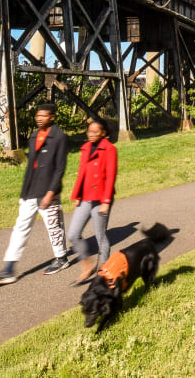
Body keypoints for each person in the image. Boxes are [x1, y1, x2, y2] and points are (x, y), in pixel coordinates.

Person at [0, 103, 70, 285]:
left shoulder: (59, 137)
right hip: (30, 190)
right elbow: (31, 166)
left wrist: (50, 193)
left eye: (44, 116)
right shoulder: (34, 136)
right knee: (20, 227)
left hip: (48, 191)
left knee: (54, 227)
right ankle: (9, 268)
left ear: (52, 117)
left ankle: (61, 258)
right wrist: (24, 192)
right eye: (38, 115)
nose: (39, 118)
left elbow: (60, 169)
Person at [68, 119, 118, 285]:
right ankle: (87, 265)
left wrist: (106, 201)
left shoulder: (110, 149)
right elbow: (82, 173)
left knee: (100, 237)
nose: (91, 134)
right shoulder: (85, 148)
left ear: (103, 133)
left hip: (101, 198)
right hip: (86, 197)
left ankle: (104, 271)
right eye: (89, 131)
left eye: (95, 132)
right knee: (73, 234)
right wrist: (77, 195)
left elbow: (111, 176)